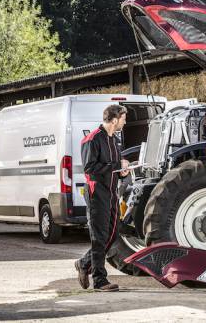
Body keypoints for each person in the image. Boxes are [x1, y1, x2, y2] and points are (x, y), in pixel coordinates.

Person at [74, 104, 130, 291]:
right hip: (96, 193)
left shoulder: (115, 140)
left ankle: (84, 263)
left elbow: (114, 168)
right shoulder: (92, 140)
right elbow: (90, 169)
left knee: (112, 234)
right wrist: (116, 165)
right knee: (99, 237)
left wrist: (123, 171)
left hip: (112, 192)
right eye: (123, 118)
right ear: (114, 119)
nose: (125, 121)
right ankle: (99, 280)